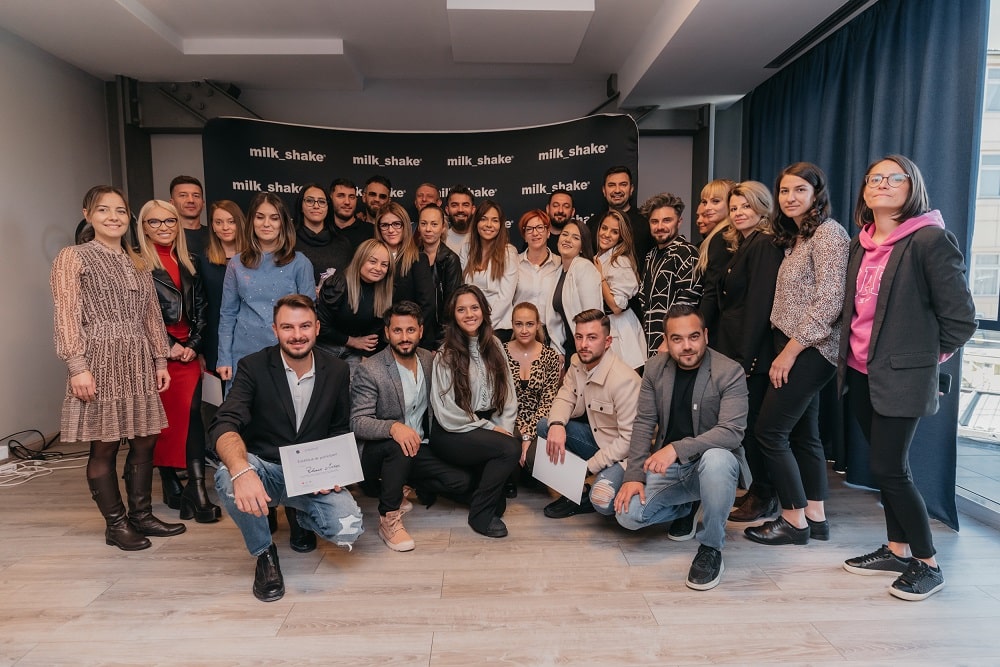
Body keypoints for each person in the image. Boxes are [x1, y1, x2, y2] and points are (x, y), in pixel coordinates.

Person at [838, 155, 977, 601]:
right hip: (860, 371)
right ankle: (897, 549)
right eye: (874, 178)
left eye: (894, 178)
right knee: (887, 467)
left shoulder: (929, 240)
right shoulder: (861, 243)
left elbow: (961, 318)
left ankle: (927, 563)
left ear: (912, 187)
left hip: (903, 378)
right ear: (864, 190)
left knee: (890, 469)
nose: (882, 183)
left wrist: (924, 359)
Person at [51, 186, 185, 551]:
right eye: (103, 210)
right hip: (99, 357)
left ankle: (141, 515)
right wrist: (77, 366)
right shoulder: (73, 257)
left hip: (138, 357)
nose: (113, 217)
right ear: (87, 215)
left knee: (146, 438)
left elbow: (151, 316)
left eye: (121, 211)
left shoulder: (138, 260)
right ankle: (116, 524)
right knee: (106, 443)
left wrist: (160, 359)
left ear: (129, 217)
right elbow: (66, 315)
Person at [210, 294, 363, 602]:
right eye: (287, 327)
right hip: (264, 468)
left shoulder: (337, 369)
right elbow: (224, 423)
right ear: (275, 330)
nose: (297, 335)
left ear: (317, 328)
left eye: (304, 326)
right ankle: (264, 553)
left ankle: (297, 514)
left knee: (349, 528)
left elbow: (338, 429)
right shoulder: (252, 366)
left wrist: (334, 473)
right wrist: (242, 471)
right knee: (227, 477)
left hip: (309, 473)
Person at [744, 162, 850, 547]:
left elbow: (830, 301)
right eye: (785, 191)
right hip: (793, 344)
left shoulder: (828, 234)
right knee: (805, 435)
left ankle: (793, 520)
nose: (790, 197)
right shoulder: (798, 237)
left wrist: (788, 353)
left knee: (770, 431)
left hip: (809, 348)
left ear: (816, 194)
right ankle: (815, 517)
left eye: (800, 190)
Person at [613, 304, 749, 591]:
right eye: (677, 338)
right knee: (627, 515)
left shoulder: (729, 372)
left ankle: (711, 548)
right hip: (672, 470)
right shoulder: (654, 368)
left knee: (716, 459)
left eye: (694, 336)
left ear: (706, 335)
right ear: (666, 340)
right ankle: (687, 507)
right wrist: (633, 476)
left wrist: (676, 448)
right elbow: (644, 422)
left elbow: (731, 432)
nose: (687, 346)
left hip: (711, 467)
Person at [351, 301, 474, 552]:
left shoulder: (430, 360)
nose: (404, 337)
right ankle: (388, 518)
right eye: (397, 330)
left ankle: (402, 484)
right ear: (387, 333)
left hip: (419, 446)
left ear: (420, 331)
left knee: (461, 481)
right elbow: (357, 422)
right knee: (399, 445)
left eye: (410, 330)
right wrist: (393, 428)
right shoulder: (370, 369)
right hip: (381, 451)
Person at [135, 199, 220, 523]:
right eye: (155, 222)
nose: (164, 227)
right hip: (155, 354)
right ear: (144, 228)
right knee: (162, 420)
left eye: (169, 221)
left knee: (191, 415)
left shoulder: (189, 260)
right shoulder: (137, 264)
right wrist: (167, 346)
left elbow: (202, 309)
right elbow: (139, 315)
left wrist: (192, 345)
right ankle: (171, 482)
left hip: (187, 354)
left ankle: (195, 489)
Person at [709, 181, 786, 524]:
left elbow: (758, 305)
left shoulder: (764, 244)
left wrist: (747, 358)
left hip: (751, 353)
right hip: (737, 348)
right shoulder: (746, 243)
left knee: (753, 425)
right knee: (746, 425)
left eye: (747, 206)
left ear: (762, 208)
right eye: (735, 207)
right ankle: (758, 489)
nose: (739, 213)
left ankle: (764, 495)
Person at [430, 285, 520, 538]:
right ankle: (479, 516)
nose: (469, 314)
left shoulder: (495, 345)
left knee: (499, 506)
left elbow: (509, 394)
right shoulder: (446, 354)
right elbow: (447, 412)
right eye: (461, 309)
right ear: (453, 315)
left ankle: (476, 498)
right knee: (509, 448)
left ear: (484, 311)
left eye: (474, 307)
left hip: (484, 426)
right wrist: (492, 429)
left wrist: (503, 426)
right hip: (452, 430)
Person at [537, 309, 640, 518]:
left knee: (602, 501)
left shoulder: (624, 380)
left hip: (623, 454)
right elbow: (565, 396)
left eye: (592, 338)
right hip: (596, 439)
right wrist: (556, 424)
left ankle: (600, 489)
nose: (584, 344)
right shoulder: (577, 361)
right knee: (546, 426)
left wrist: (589, 467)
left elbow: (629, 442)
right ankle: (576, 494)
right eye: (579, 337)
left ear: (608, 341)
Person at [216, 192, 315, 385]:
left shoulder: (300, 263)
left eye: (274, 218)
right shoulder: (236, 263)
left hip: (288, 353)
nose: (266, 224)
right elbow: (227, 314)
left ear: (283, 223)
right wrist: (224, 357)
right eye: (260, 217)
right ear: (251, 221)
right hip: (243, 353)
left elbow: (308, 318)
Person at [636, 192, 701, 357]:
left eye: (667, 220)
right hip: (649, 343)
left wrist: (669, 339)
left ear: (679, 222)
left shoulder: (687, 252)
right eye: (654, 221)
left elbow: (688, 301)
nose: (660, 226)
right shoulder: (650, 256)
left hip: (675, 344)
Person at [316, 239, 394, 367]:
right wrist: (352, 341)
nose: (378, 268)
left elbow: (375, 330)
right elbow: (321, 326)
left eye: (384, 265)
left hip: (354, 354)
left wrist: (365, 357)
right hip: (325, 348)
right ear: (360, 260)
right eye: (372, 261)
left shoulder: (385, 292)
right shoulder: (338, 285)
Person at [504, 302, 562, 468]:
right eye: (519, 324)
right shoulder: (500, 353)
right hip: (508, 421)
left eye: (529, 324)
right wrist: (518, 428)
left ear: (538, 325)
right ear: (512, 325)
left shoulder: (550, 356)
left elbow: (548, 402)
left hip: (539, 423)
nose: (524, 330)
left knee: (533, 458)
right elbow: (499, 398)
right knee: (510, 449)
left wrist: (528, 433)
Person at [593, 209, 647, 370]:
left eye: (614, 232)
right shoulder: (598, 258)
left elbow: (617, 306)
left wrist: (600, 276)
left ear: (621, 237)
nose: (606, 234)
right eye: (604, 228)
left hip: (622, 332)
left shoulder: (620, 261)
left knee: (625, 382)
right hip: (606, 328)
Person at [198, 200, 248, 374]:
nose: (225, 227)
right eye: (218, 222)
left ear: (240, 223)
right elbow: (199, 305)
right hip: (215, 339)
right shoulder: (203, 260)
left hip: (250, 336)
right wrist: (199, 349)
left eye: (231, 221)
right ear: (212, 226)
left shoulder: (255, 258)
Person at [547, 221, 603, 367]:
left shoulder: (584, 267)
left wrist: (586, 349)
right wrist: (558, 350)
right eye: (565, 234)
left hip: (586, 349)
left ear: (582, 247)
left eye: (575, 237)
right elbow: (557, 319)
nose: (567, 239)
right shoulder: (558, 272)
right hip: (570, 349)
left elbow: (593, 316)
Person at [462, 199, 519, 342]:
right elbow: (462, 290)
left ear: (501, 225)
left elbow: (505, 297)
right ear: (476, 222)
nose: (489, 225)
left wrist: (484, 326)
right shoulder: (466, 250)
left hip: (499, 328)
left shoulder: (509, 253)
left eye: (494, 220)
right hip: (470, 326)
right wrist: (472, 325)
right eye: (483, 219)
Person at [375, 202, 434, 321]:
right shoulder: (371, 259)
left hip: (409, 329)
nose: (391, 230)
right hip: (377, 328)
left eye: (396, 224)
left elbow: (427, 305)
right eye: (385, 225)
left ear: (405, 226)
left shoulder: (418, 259)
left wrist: (413, 329)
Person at [415, 204, 462, 349]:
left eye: (434, 224)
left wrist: (440, 343)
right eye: (424, 223)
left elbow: (451, 305)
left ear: (442, 228)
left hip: (439, 337)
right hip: (415, 333)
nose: (428, 229)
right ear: (418, 227)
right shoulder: (412, 257)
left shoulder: (450, 259)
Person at [693, 179, 736, 334]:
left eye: (716, 201)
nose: (707, 207)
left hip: (717, 326)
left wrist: (696, 330)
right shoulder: (723, 236)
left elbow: (711, 292)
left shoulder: (722, 238)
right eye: (705, 202)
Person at [293, 182, 353, 286]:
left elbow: (350, 281)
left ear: (328, 207)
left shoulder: (342, 243)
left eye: (321, 202)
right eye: (310, 201)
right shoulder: (288, 241)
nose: (316, 206)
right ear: (301, 206)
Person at [589, 166, 653, 262]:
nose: (617, 190)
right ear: (604, 190)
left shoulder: (645, 221)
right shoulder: (592, 223)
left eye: (623, 185)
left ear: (631, 189)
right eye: (611, 185)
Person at [513, 209, 561, 335]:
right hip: (520, 332)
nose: (535, 233)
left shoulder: (559, 264)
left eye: (540, 227)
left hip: (551, 334)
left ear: (548, 232)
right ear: (524, 236)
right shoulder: (514, 263)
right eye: (529, 229)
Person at [328, 177, 373, 252]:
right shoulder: (323, 229)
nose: (347, 202)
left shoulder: (370, 232)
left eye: (351, 197)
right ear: (331, 198)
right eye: (341, 196)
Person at [169, 175, 208, 255]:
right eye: (183, 195)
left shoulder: (215, 235)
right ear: (172, 203)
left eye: (196, 196)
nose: (191, 200)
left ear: (203, 203)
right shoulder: (166, 236)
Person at [443, 184, 475, 259]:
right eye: (454, 205)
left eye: (465, 205)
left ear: (473, 209)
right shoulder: (440, 240)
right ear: (447, 210)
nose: (460, 210)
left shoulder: (482, 239)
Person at [545, 190, 576, 254]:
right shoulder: (538, 238)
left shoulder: (579, 239)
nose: (560, 210)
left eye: (566, 206)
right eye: (555, 205)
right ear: (548, 209)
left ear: (572, 212)